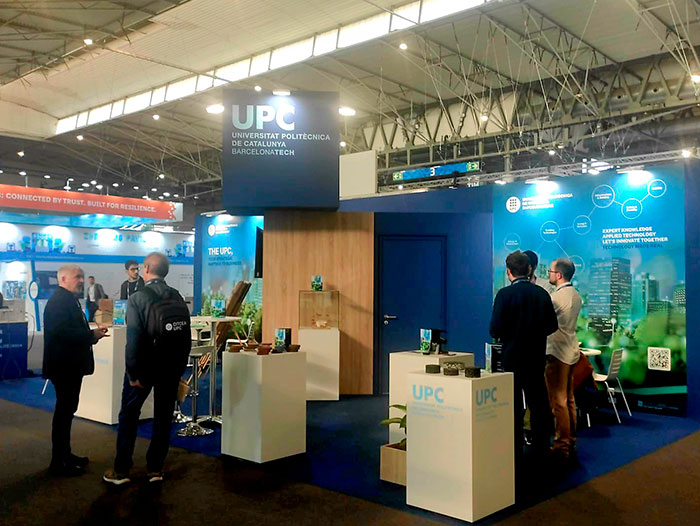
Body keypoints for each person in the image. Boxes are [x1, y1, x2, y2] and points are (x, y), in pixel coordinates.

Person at [104, 252, 191, 485]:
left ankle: (121, 470)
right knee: (163, 417)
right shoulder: (177, 296)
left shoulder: (138, 298)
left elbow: (133, 340)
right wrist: (179, 369)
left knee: (129, 415)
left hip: (144, 367)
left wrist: (133, 373)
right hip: (170, 367)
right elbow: (185, 337)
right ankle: (155, 469)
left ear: (146, 269)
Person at [489, 251, 558, 456]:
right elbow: (552, 326)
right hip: (536, 358)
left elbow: (494, 330)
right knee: (538, 404)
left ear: (508, 272)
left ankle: (515, 450)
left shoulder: (504, 295)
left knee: (513, 405)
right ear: (529, 270)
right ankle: (541, 450)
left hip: (512, 359)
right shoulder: (542, 294)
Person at [42, 264, 109, 476]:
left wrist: (91, 335)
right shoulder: (59, 302)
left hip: (68, 365)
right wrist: (91, 336)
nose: (81, 280)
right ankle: (58, 462)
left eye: (82, 276)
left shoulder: (67, 300)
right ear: (63, 279)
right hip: (64, 366)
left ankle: (65, 455)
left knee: (67, 411)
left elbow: (69, 330)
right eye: (77, 277)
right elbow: (62, 334)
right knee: (63, 413)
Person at [545, 258, 583, 460]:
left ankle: (561, 445)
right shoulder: (575, 295)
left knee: (558, 401)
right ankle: (571, 441)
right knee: (569, 400)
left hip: (557, 353)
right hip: (571, 351)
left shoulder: (556, 298)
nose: (549, 274)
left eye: (550, 271)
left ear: (558, 275)